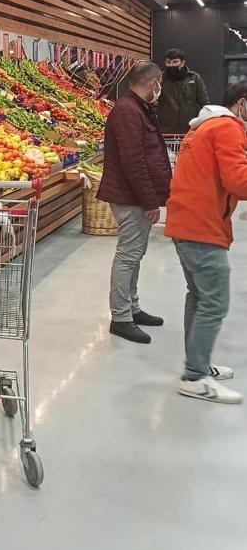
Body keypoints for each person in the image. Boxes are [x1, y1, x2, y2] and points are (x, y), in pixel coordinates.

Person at [164, 83, 247, 403]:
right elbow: (238, 181)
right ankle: (195, 376)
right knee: (214, 301)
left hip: (186, 222)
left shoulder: (202, 127)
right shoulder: (227, 128)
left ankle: (197, 364)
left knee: (199, 296)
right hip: (202, 226)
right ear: (242, 103)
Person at [97, 60, 172, 344]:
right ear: (154, 83)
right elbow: (134, 162)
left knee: (135, 254)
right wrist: (150, 201)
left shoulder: (137, 108)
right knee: (128, 255)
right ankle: (120, 317)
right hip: (130, 197)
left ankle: (132, 308)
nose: (160, 88)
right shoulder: (128, 111)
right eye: (159, 83)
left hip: (134, 195)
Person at [158, 48, 210, 134]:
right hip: (166, 131)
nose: (171, 65)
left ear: (182, 63)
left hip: (191, 129)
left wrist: (201, 125)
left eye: (175, 62)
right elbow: (153, 103)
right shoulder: (160, 79)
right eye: (168, 62)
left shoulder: (194, 78)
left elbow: (204, 103)